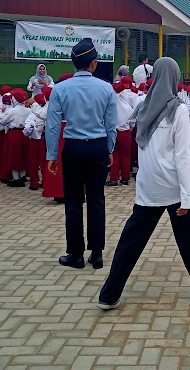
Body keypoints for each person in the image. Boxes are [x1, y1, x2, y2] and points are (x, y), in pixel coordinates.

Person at [97, 57, 190, 309]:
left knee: (131, 240)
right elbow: (181, 155)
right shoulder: (178, 109)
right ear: (175, 78)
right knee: (189, 237)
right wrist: (187, 195)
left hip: (148, 183)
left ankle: (109, 294)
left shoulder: (144, 105)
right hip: (173, 185)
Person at [46, 38, 117, 270]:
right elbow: (111, 125)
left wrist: (51, 155)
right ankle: (96, 255)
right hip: (97, 146)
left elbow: (53, 125)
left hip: (73, 148)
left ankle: (75, 254)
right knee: (97, 200)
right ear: (94, 63)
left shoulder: (59, 88)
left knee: (74, 202)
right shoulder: (106, 88)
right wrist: (110, 149)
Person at [108, 82, 135, 186]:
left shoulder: (111, 107)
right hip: (125, 133)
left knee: (114, 155)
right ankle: (125, 178)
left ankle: (114, 179)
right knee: (126, 156)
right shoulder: (128, 108)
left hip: (113, 132)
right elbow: (132, 122)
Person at [24, 91, 49, 191]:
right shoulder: (46, 111)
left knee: (33, 163)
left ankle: (34, 183)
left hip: (34, 140)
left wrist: (29, 133)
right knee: (43, 163)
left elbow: (27, 128)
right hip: (43, 140)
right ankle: (45, 182)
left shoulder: (33, 113)